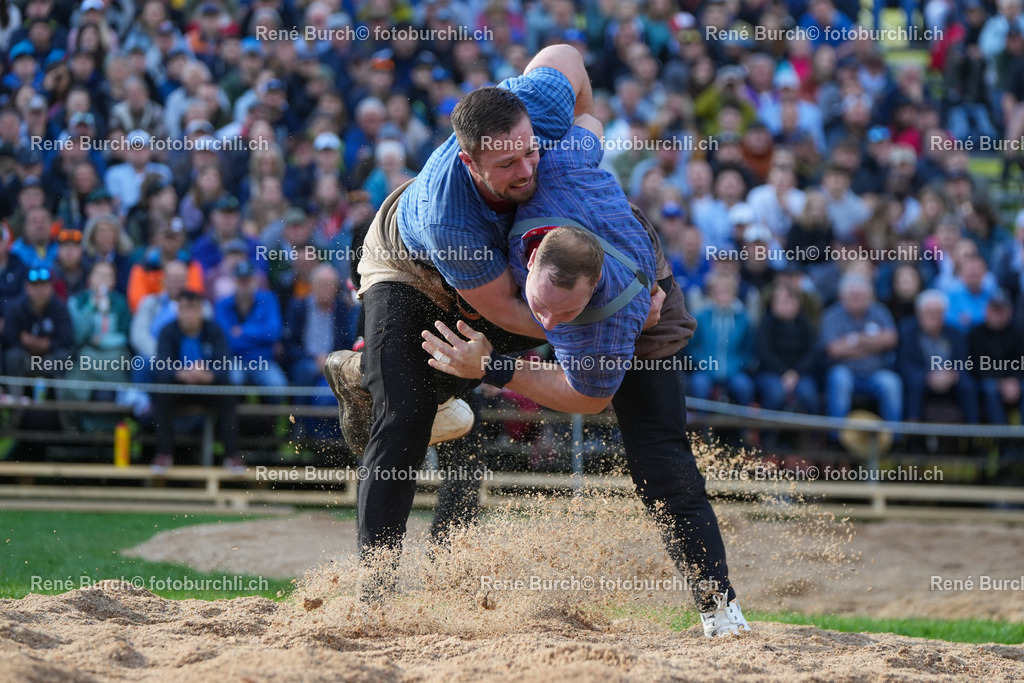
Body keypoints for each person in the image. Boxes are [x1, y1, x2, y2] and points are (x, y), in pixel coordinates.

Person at [331, 55, 749, 634]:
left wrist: (626, 317)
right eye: (506, 162)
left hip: (594, 277)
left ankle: (720, 609)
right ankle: (373, 603)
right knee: (406, 413)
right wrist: (578, 333)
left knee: (659, 450)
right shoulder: (452, 219)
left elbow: (567, 60)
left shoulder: (556, 135)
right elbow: (509, 310)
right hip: (421, 268)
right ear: (469, 160)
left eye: (532, 150)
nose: (527, 167)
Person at [150, 289, 241, 471]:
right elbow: (161, 366)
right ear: (178, 311)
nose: (189, 314)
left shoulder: (215, 330)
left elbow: (224, 365)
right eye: (185, 309)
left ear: (201, 311)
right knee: (159, 391)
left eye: (194, 309)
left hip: (208, 388)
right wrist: (181, 373)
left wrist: (209, 375)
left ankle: (232, 456)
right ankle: (164, 454)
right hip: (179, 387)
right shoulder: (168, 331)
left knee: (229, 390)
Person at [820, 274, 903, 436]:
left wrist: (854, 339)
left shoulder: (879, 311)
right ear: (842, 297)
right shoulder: (832, 315)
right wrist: (874, 344)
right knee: (839, 379)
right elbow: (833, 349)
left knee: (892, 383)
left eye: (862, 296)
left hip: (875, 373)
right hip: (846, 371)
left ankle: (894, 441)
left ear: (869, 296)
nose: (858, 299)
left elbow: (892, 339)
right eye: (853, 296)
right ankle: (837, 440)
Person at [897, 289, 979, 424]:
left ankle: (972, 434)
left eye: (937, 313)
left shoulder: (955, 334)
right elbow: (905, 364)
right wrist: (928, 376)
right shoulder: (907, 331)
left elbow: (963, 362)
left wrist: (952, 375)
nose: (933, 317)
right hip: (921, 376)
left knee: (967, 385)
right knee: (914, 382)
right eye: (929, 313)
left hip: (949, 377)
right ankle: (912, 433)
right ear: (919, 313)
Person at [2, 267, 73, 398]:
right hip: (25, 358)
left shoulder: (60, 308)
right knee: (12, 356)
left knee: (63, 357)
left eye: (44, 286)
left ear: (51, 287)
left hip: (50, 359)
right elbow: (9, 338)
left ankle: (64, 410)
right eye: (35, 286)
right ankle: (15, 408)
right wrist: (29, 345)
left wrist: (42, 344)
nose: (39, 291)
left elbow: (67, 339)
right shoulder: (15, 307)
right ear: (27, 287)